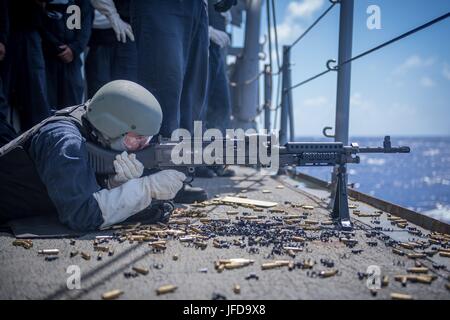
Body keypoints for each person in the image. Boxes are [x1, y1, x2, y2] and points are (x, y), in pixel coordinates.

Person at [0, 80, 186, 231]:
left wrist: (111, 183)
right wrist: (147, 188)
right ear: (112, 126)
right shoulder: (65, 141)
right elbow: (81, 215)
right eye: (138, 138)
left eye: (148, 138)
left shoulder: (93, 125)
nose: (142, 146)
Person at [129, 0, 209, 202]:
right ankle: (156, 179)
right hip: (162, 6)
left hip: (197, 6)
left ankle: (177, 177)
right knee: (163, 87)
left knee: (190, 94)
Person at [2, 0, 51, 130]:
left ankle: (39, 140)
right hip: (8, 31)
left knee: (36, 98)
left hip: (29, 29)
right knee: (3, 98)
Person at [41, 0, 93, 109]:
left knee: (72, 105)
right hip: (48, 59)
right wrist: (55, 47)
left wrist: (74, 49)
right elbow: (40, 24)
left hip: (72, 60)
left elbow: (85, 27)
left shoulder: (80, 3)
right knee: (48, 104)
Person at [86, 0, 137, 98]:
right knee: (98, 92)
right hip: (98, 39)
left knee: (127, 91)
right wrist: (112, 15)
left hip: (128, 35)